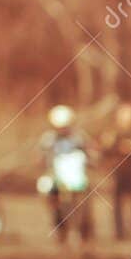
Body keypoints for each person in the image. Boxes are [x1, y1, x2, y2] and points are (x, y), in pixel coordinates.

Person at [38, 104, 93, 243]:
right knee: (46, 189)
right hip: (55, 176)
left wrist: (88, 160)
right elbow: (41, 158)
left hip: (76, 177)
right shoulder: (48, 139)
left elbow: (91, 154)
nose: (63, 130)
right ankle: (59, 226)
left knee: (82, 201)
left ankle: (83, 230)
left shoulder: (79, 137)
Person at [102, 102, 131, 241]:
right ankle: (119, 232)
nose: (125, 119)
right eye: (123, 116)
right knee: (117, 203)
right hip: (118, 173)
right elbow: (105, 145)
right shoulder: (113, 132)